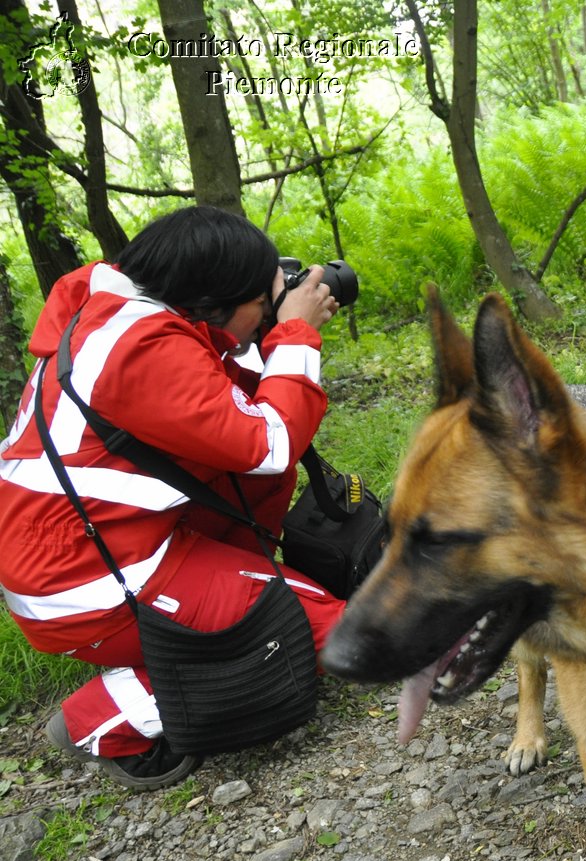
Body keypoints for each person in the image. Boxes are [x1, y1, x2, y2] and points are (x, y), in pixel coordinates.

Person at [0, 206, 346, 790]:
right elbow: (270, 441)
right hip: (84, 577)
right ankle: (104, 715)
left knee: (303, 608)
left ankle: (216, 612)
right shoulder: (140, 347)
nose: (269, 309)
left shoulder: (123, 311)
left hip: (101, 545)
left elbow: (224, 418)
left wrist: (265, 330)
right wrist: (295, 333)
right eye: (261, 301)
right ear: (212, 300)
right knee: (327, 634)